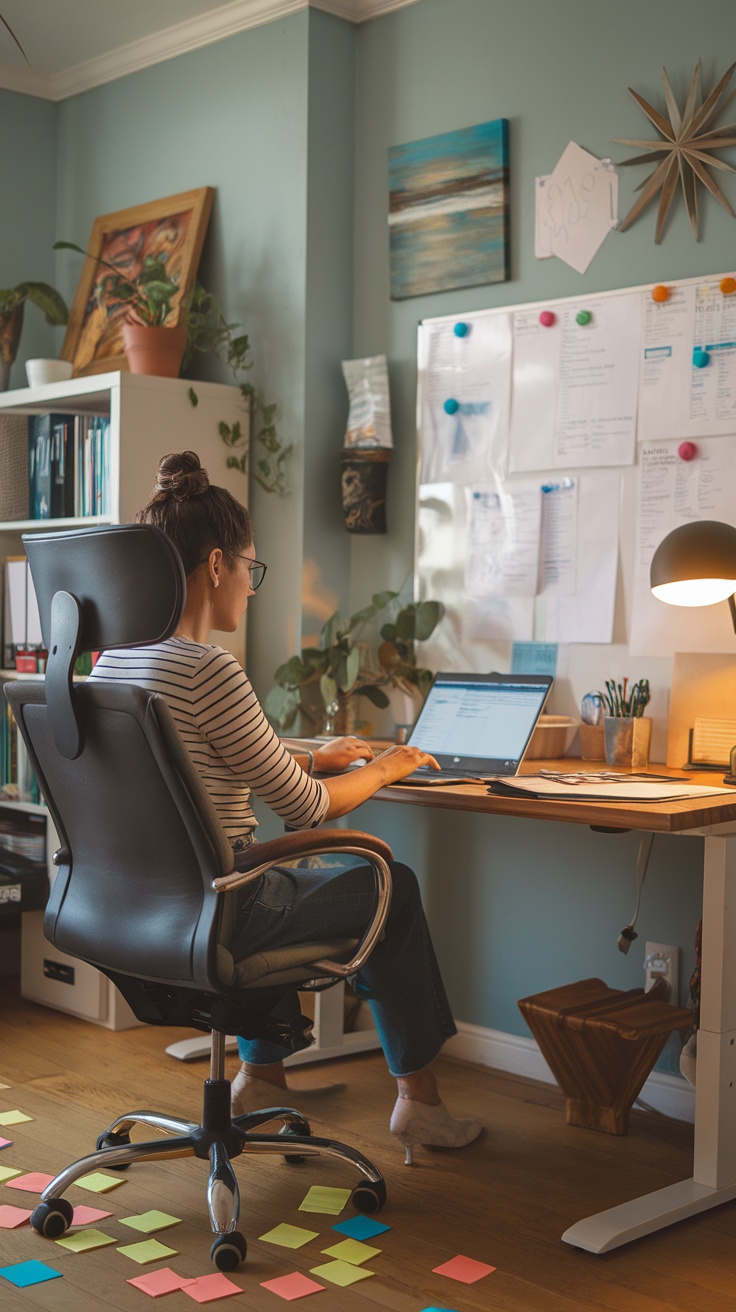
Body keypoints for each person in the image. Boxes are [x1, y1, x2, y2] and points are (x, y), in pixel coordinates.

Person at [89, 451, 481, 1165]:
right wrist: (390, 763)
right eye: (250, 567)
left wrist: (312, 755)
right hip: (227, 905)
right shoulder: (209, 667)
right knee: (388, 884)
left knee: (292, 882)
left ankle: (260, 1075)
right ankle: (419, 1104)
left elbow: (198, 770)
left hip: (139, 906)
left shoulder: (113, 660)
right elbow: (306, 812)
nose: (251, 584)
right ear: (216, 567)